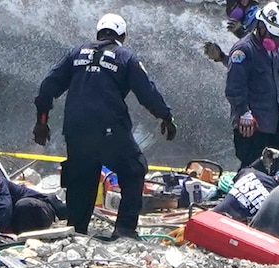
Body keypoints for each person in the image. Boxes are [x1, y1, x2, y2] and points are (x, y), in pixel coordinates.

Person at [33, 13, 176, 239]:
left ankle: (76, 229)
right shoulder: (126, 57)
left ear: (98, 33)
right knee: (134, 169)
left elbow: (47, 87)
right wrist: (166, 117)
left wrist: (42, 122)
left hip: (75, 128)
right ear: (123, 36)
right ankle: (125, 229)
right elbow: (147, 92)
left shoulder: (75, 53)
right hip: (109, 129)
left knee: (82, 175)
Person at [206, 0, 279, 139]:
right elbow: (249, 70)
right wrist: (222, 57)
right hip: (259, 116)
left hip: (271, 109)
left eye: (230, 4)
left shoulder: (269, 26)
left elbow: (264, 64)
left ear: (243, 0)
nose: (228, 10)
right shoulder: (251, 30)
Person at [225, 1, 279, 169]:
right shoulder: (243, 51)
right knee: (253, 169)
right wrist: (244, 112)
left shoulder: (271, 51)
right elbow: (234, 87)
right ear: (261, 27)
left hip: (274, 122)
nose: (276, 41)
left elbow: (277, 84)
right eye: (273, 37)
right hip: (253, 126)